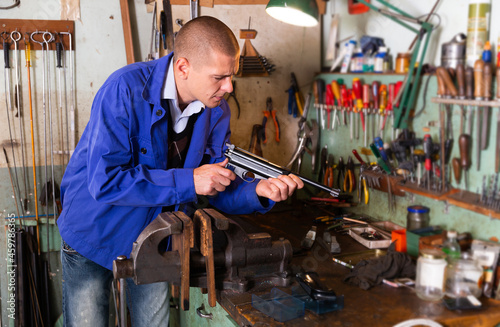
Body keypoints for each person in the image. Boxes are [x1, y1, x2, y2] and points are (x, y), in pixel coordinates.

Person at [58, 16, 303, 327]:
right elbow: (105, 181)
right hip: (93, 231)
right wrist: (190, 180)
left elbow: (213, 185)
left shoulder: (217, 110)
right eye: (219, 77)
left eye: (231, 77)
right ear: (184, 67)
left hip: (151, 241)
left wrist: (256, 192)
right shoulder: (124, 89)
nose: (229, 87)